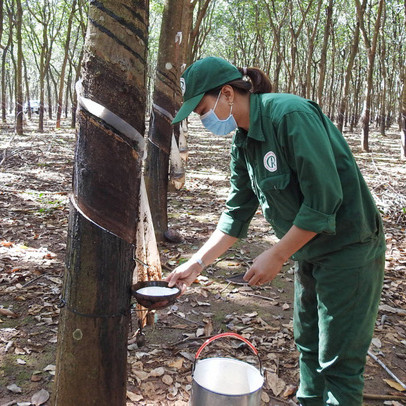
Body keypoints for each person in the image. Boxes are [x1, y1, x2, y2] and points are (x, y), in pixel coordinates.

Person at [166, 56, 386, 406]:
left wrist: (278, 254)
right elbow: (236, 214)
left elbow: (324, 199)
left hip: (349, 249)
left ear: (226, 93)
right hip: (310, 252)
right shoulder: (243, 142)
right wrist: (196, 264)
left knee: (339, 361)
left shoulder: (289, 116)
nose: (202, 118)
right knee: (309, 346)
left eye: (202, 108)